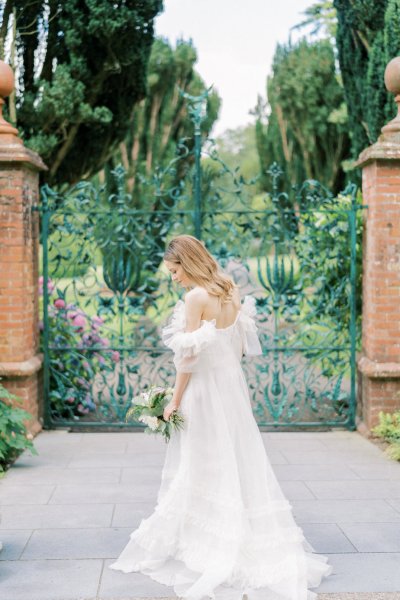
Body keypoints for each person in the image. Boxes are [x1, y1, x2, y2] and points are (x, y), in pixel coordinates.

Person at [110, 235, 332, 600]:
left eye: (175, 270)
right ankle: (234, 535)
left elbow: (188, 358)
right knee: (236, 460)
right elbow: (239, 346)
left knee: (203, 462)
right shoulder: (230, 289)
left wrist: (174, 401)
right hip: (231, 387)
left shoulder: (195, 298)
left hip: (205, 391)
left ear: (189, 262)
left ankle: (215, 544)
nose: (174, 278)